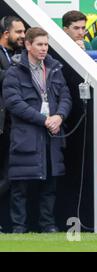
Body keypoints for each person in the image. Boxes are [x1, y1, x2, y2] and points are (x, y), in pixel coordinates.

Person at [2, 27, 72, 233]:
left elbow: (66, 97)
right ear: (28, 45)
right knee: (20, 187)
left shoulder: (55, 69)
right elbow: (14, 103)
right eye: (39, 44)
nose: (44, 49)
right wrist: (44, 120)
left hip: (52, 134)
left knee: (50, 185)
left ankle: (47, 225)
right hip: (26, 135)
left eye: (46, 44)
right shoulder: (14, 72)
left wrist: (59, 116)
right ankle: (19, 227)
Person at [0, 16, 26, 231]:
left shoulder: (21, 55)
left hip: (13, 126)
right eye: (18, 32)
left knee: (10, 178)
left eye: (24, 32)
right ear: (6, 33)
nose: (23, 36)